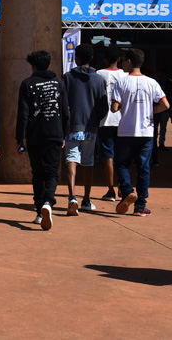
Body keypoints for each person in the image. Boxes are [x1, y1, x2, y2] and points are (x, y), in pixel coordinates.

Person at [111, 48, 169, 217]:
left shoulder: (121, 82)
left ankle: (128, 190)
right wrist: (150, 111)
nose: (122, 63)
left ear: (129, 61)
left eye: (123, 61)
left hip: (126, 131)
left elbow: (114, 107)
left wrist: (125, 106)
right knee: (143, 168)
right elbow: (165, 105)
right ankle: (140, 206)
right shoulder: (152, 83)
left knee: (122, 164)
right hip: (146, 131)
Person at [16, 50, 69, 231]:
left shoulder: (27, 84)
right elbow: (65, 112)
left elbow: (23, 114)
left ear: (34, 66)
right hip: (55, 134)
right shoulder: (59, 84)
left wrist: (19, 138)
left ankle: (40, 210)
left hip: (34, 135)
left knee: (37, 172)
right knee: (52, 172)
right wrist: (64, 134)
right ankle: (48, 201)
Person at [62, 43, 108, 215]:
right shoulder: (98, 79)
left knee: (71, 159)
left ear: (77, 58)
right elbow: (104, 106)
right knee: (88, 162)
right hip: (90, 127)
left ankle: (72, 196)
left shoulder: (67, 77)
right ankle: (86, 199)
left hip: (72, 125)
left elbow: (63, 103)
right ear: (91, 58)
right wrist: (96, 120)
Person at [96, 46, 127, 202]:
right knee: (122, 155)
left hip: (105, 120)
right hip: (123, 120)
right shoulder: (125, 75)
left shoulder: (99, 74)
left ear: (105, 59)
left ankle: (110, 190)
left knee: (108, 156)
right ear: (119, 59)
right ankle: (123, 185)